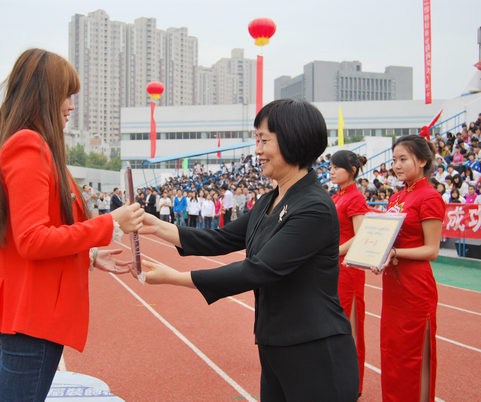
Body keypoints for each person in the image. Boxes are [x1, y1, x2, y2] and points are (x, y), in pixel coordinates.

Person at [140, 99, 359, 401]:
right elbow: (221, 238)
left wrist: (174, 277)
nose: (257, 150)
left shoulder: (314, 207)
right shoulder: (270, 200)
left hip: (314, 350)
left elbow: (258, 270)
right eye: (257, 140)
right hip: (274, 343)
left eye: (264, 140)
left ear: (293, 140)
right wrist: (155, 226)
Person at [0, 49, 144, 402]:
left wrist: (89, 254)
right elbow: (31, 239)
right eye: (66, 95)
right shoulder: (29, 145)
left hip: (28, 313)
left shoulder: (36, 146)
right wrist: (111, 223)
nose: (71, 105)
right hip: (30, 317)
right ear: (44, 96)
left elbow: (38, 228)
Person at [378, 135, 446, 402]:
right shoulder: (396, 197)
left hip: (415, 287)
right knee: (392, 350)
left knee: (413, 353)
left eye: (403, 159)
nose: (396, 165)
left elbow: (432, 250)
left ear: (422, 160)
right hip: (393, 285)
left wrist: (395, 253)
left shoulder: (430, 197)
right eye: (394, 159)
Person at [330, 150, 370, 396]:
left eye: (337, 167)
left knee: (350, 328)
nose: (331, 171)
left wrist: (334, 252)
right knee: (334, 327)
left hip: (348, 270)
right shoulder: (336, 197)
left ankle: (353, 385)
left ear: (352, 171)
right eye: (331, 167)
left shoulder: (355, 198)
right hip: (332, 268)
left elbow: (360, 235)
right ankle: (337, 380)